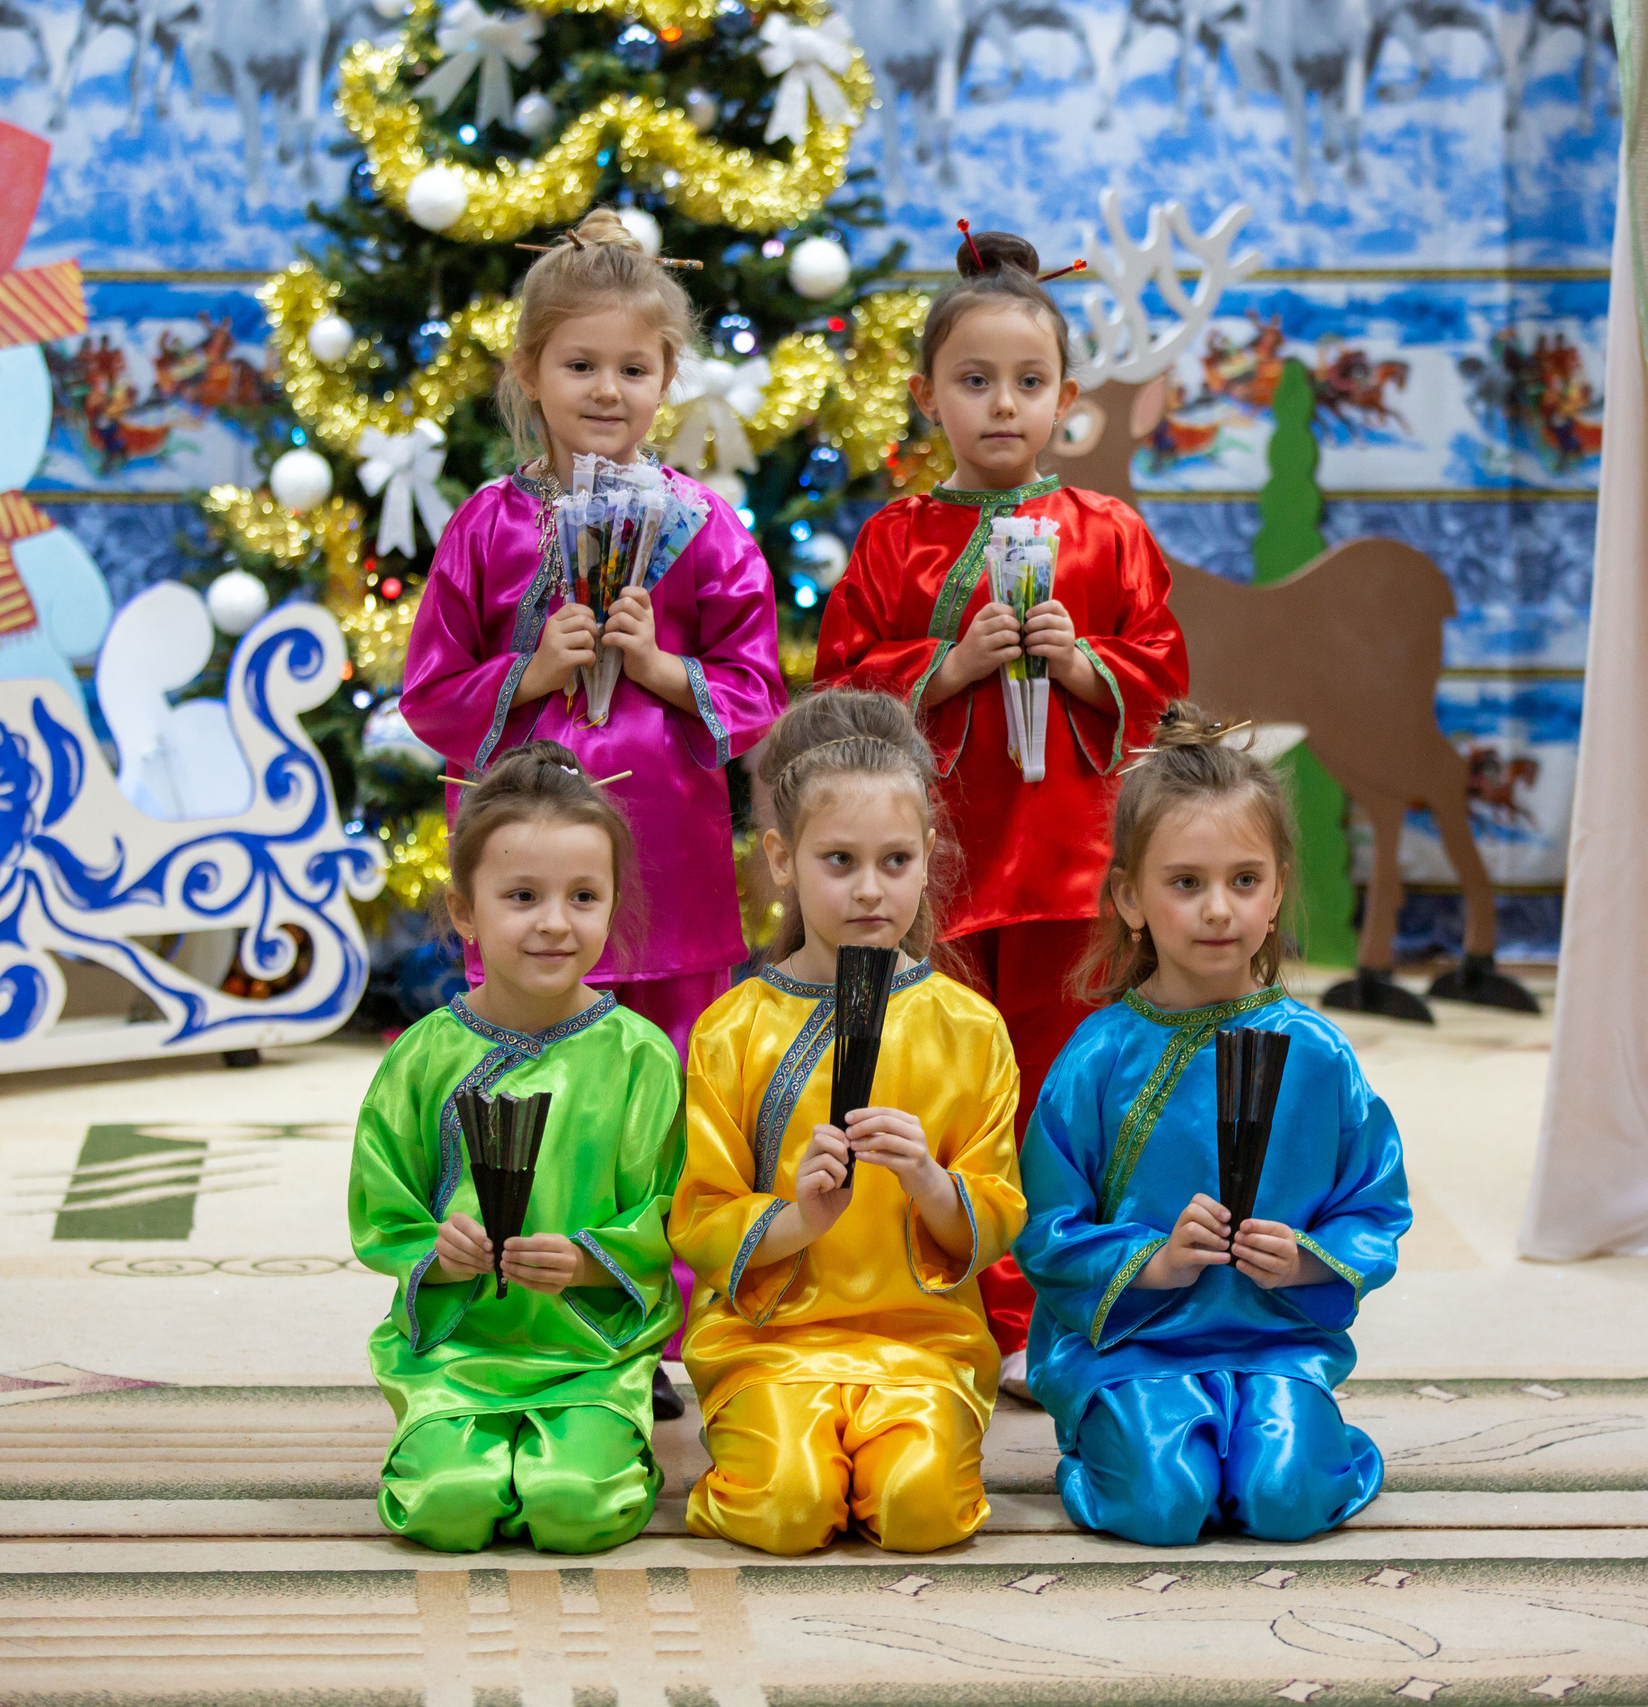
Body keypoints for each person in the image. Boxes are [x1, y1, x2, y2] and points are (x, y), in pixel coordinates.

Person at [814, 223, 1188, 1364]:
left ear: (1067, 396)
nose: (1002, 406)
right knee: (941, 1088)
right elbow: (834, 693)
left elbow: (1164, 671)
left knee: (1070, 1096)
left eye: (1027, 383)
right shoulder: (895, 542)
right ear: (929, 396)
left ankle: (1058, 1308)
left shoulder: (1107, 534)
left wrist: (1082, 664)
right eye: (974, 383)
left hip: (1072, 871)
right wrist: (944, 665)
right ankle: (943, 1292)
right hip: (943, 878)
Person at [1013, 705, 1410, 1546]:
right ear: (1129, 895)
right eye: (1185, 882)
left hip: (1274, 1345)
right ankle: (1105, 1446)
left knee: (1284, 1501)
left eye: (1244, 880)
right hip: (1136, 1348)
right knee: (1163, 1505)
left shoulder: (1319, 1055)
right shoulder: (1096, 1058)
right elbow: (1043, 1230)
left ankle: (1310, 1444)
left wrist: (1308, 1257)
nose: (1218, 909)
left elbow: (1376, 1205)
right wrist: (1149, 1261)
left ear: (1276, 891)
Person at [400, 205, 789, 1058]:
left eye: (632, 368)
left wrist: (658, 667)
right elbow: (427, 696)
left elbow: (756, 692)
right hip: (525, 850)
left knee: (671, 1068)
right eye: (580, 364)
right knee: (526, 1055)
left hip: (667, 852)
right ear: (530, 372)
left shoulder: (706, 525)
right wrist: (530, 674)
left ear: (665, 376)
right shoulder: (485, 526)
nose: (607, 389)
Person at [670, 690, 1025, 1555]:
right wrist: (799, 1217)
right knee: (787, 1511)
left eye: (896, 860)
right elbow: (699, 1214)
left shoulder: (970, 1030)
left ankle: (883, 1461)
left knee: (921, 1513)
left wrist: (929, 1182)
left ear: (927, 855)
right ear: (784, 860)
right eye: (839, 860)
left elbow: (997, 1213)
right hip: (773, 1342)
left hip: (920, 1342)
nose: (871, 889)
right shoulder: (734, 1029)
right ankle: (792, 1461)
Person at [348, 742, 684, 1553]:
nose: (555, 923)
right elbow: (383, 1206)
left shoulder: (640, 1058)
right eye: (523, 895)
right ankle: (468, 1449)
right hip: (459, 1353)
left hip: (587, 1353)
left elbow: (670, 1211)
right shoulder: (423, 1056)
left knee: (574, 1508)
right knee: (447, 1509)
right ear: (466, 909)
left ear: (611, 903)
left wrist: (588, 1259)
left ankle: (592, 1443)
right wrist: (439, 1248)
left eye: (583, 896)